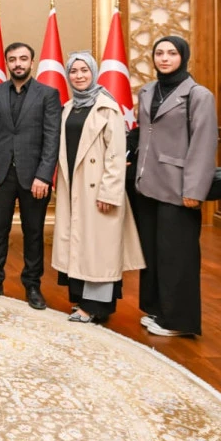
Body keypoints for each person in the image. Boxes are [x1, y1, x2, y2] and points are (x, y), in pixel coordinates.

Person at [133, 36, 217, 337]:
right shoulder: (147, 91)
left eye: (172, 53)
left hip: (178, 187)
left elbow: (204, 145)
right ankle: (158, 309)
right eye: (159, 53)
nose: (165, 58)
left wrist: (194, 190)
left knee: (177, 255)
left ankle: (178, 320)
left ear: (183, 56)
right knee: (153, 252)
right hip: (146, 185)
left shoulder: (198, 95)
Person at [52, 52, 145, 323]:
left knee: (99, 251)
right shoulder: (69, 107)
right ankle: (82, 301)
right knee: (79, 245)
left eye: (84, 70)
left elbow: (116, 155)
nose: (79, 75)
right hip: (74, 186)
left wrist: (108, 192)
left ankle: (95, 307)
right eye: (73, 71)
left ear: (93, 73)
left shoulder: (107, 107)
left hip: (98, 190)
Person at [0, 42, 61, 308]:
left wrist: (44, 176)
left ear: (32, 62)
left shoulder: (48, 94)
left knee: (33, 233)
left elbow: (52, 138)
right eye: (12, 59)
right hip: (0, 175)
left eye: (23, 59)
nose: (18, 64)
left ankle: (32, 285)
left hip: (34, 177)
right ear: (6, 63)